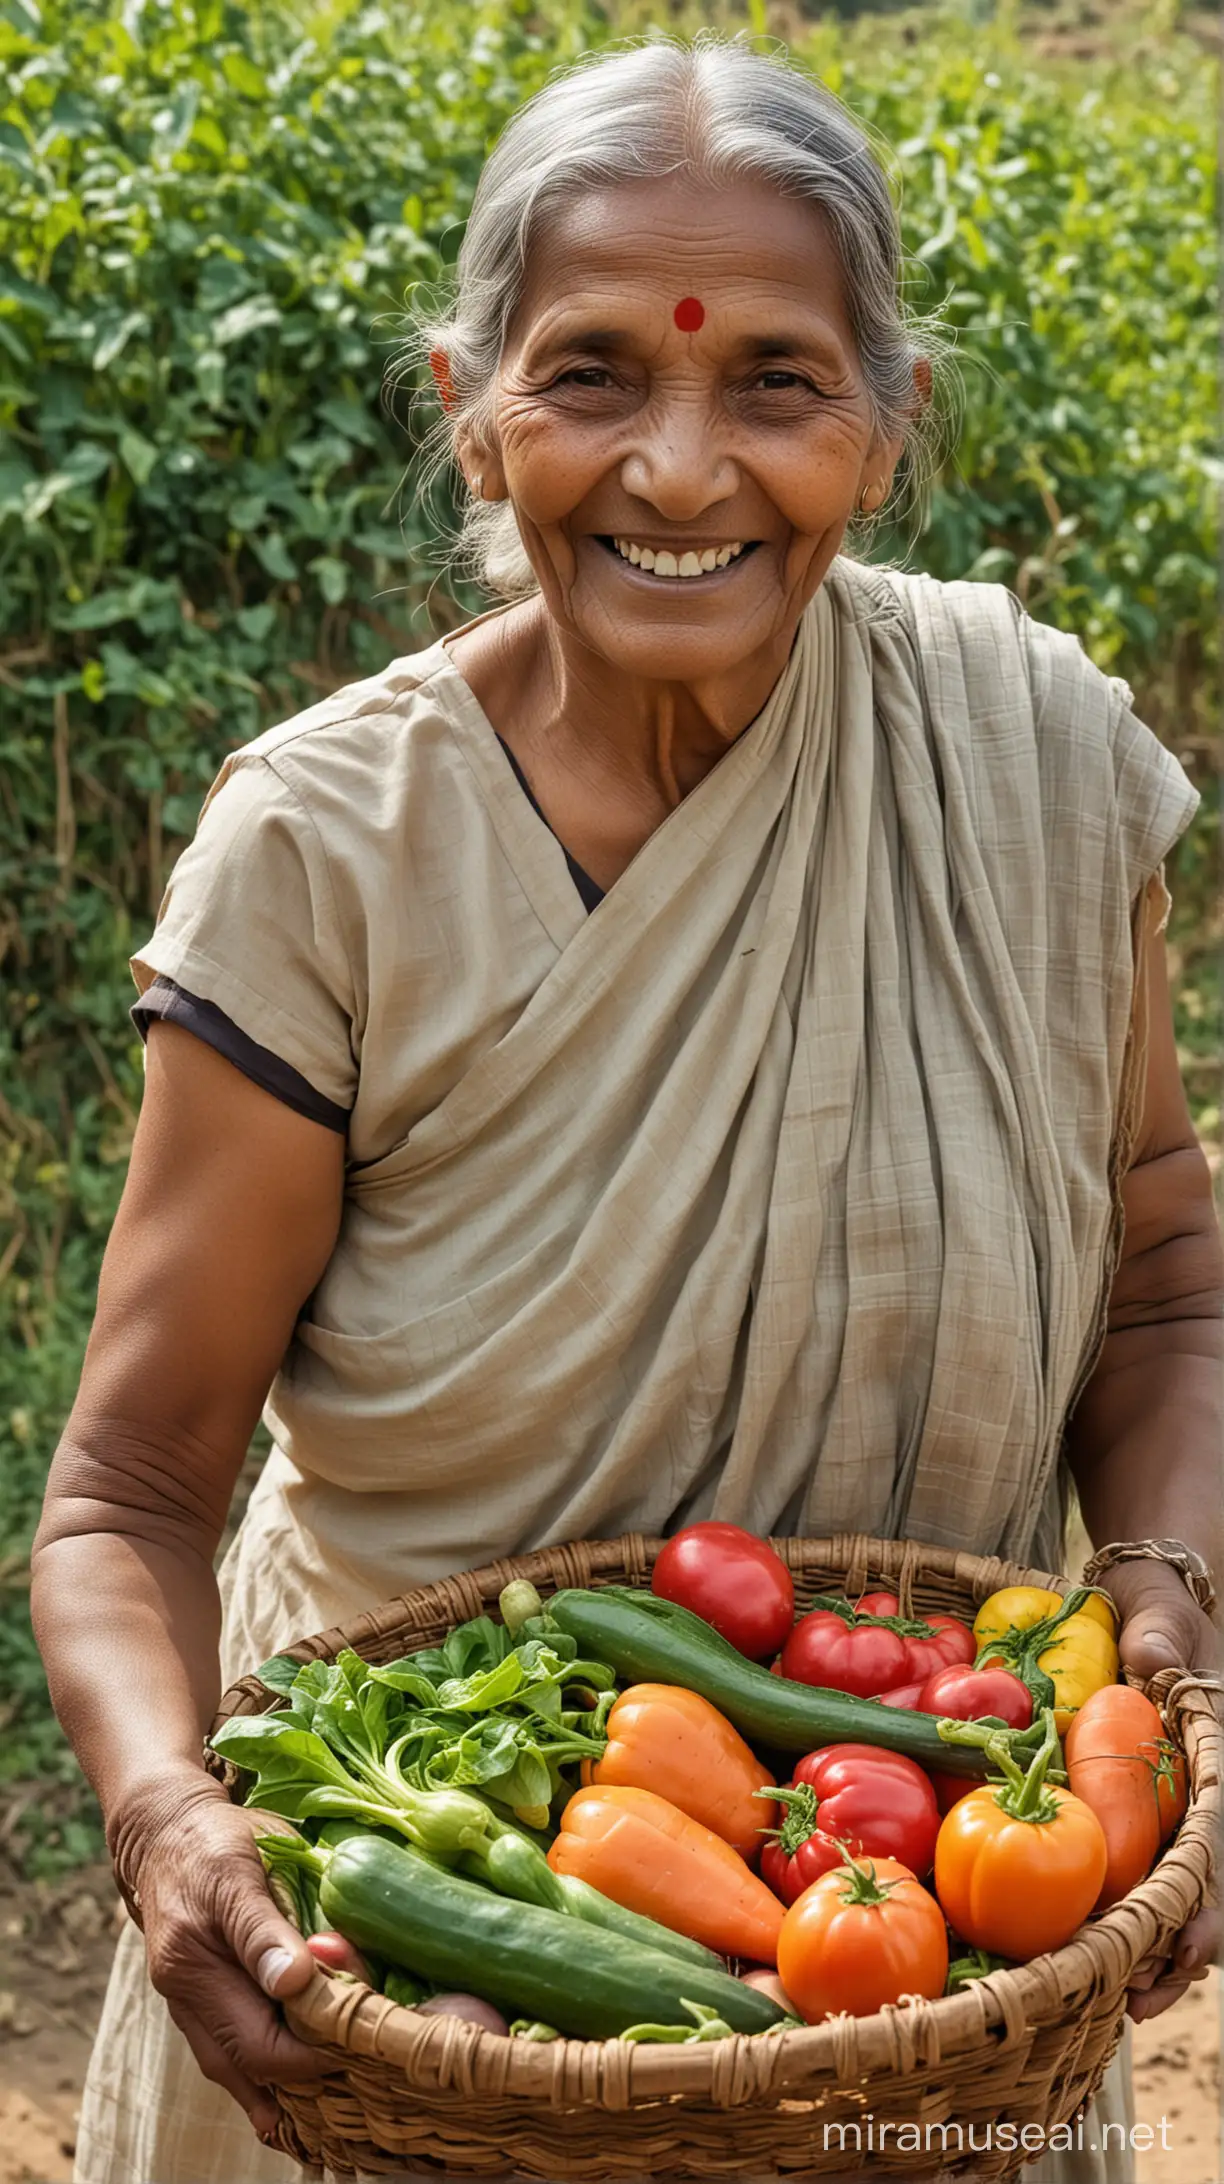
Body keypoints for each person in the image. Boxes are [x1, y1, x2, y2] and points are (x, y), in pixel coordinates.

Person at [32, 33, 1221, 2184]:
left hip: (925, 1943)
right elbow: (127, 1487)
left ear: (890, 422)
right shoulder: (332, 854)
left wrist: (1164, 1608)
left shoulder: (1027, 767)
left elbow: (1161, 1286)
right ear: (467, 409)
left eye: (776, 379)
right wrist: (174, 1820)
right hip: (406, 1963)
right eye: (590, 375)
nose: (679, 470)